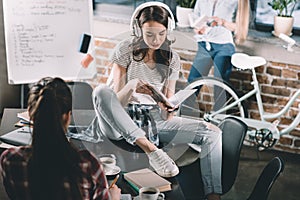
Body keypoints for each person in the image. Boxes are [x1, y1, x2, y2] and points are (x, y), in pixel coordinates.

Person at [92, 2, 223, 199]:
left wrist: (169, 109)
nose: (156, 40)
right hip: (118, 119)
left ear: (168, 30)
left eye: (161, 34)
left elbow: (167, 103)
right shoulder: (125, 50)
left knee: (213, 134)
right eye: (150, 34)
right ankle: (151, 150)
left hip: (152, 120)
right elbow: (116, 101)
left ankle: (213, 195)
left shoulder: (172, 59)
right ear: (138, 29)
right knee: (101, 91)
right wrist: (133, 85)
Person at [0, 77, 121, 200]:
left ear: (30, 113)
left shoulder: (9, 160)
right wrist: (114, 198)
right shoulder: (88, 165)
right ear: (68, 116)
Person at [188, 0, 250, 83]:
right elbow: (196, 19)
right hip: (204, 43)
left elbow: (241, 28)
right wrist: (198, 29)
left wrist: (223, 22)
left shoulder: (235, 1)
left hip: (224, 46)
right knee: (193, 82)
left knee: (220, 85)